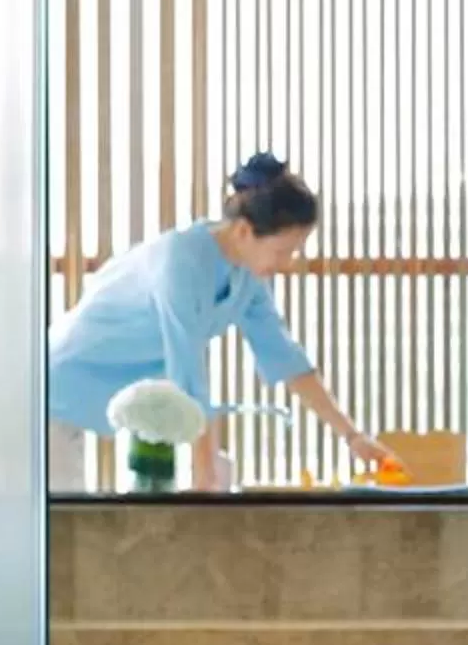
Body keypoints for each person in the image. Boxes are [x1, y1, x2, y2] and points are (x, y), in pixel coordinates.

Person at [46, 154, 396, 490]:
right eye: (281, 251)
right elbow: (188, 375)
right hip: (57, 387)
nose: (287, 263)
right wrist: (205, 476)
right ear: (244, 231)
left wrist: (352, 436)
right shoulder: (181, 260)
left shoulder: (246, 276)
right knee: (63, 526)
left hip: (105, 398)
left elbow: (285, 358)